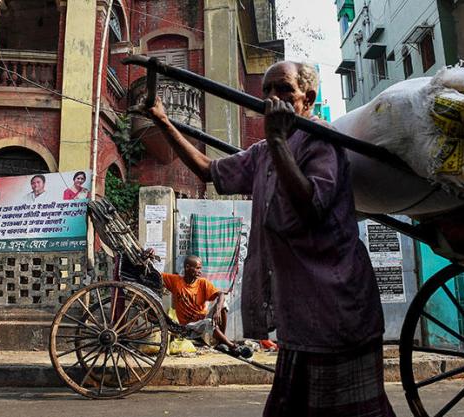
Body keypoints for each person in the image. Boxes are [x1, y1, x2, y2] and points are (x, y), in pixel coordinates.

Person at [137, 61, 394, 416]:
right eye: (267, 91)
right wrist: (163, 121)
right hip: (299, 312)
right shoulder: (262, 153)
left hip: (336, 306)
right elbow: (208, 170)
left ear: (308, 98)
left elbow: (311, 206)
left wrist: (276, 139)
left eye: (284, 90)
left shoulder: (321, 140)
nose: (273, 98)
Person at [161, 255, 252, 358]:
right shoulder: (176, 281)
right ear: (187, 267)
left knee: (223, 304)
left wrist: (217, 311)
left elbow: (221, 294)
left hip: (202, 319)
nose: (200, 271)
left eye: (200, 268)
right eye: (197, 268)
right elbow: (156, 275)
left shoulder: (202, 283)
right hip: (188, 326)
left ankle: (221, 341)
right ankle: (233, 346)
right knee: (208, 322)